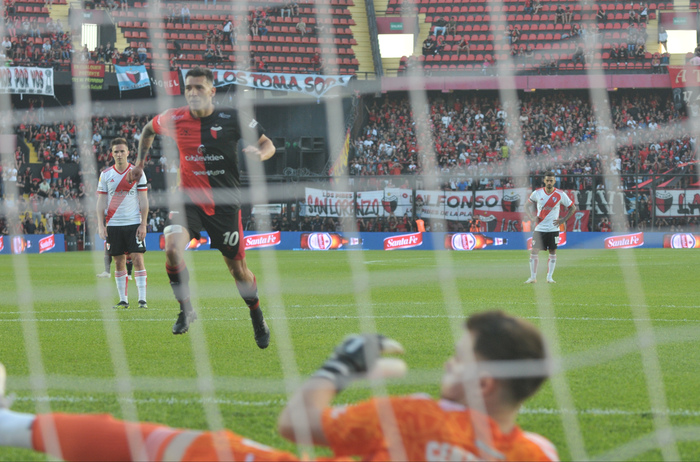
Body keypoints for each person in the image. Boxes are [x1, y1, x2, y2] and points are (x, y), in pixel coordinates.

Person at [0, 310, 557, 461]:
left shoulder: (416, 415)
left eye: (458, 361)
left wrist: (338, 369)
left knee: (178, 445)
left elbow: (296, 425)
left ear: (486, 382)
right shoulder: (537, 454)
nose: (446, 365)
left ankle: (8, 425)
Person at [127, 67, 274, 346]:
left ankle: (256, 315)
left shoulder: (232, 118)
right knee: (171, 249)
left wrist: (260, 153)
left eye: (199, 88)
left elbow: (268, 144)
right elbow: (148, 130)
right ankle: (186, 310)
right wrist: (139, 163)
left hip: (224, 207)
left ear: (212, 92)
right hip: (188, 201)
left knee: (238, 272)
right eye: (189, 88)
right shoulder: (175, 117)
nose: (193, 93)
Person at [96, 138, 149, 309]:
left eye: (122, 151)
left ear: (128, 153)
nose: (119, 154)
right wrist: (100, 225)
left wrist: (143, 224)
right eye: (116, 152)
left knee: (137, 259)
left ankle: (142, 300)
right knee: (118, 262)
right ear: (112, 154)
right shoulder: (105, 175)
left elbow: (144, 200)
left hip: (133, 223)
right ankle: (123, 300)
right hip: (113, 224)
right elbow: (100, 202)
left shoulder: (137, 172)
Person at [524, 171, 575, 284]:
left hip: (553, 228)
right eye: (547, 180)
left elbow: (573, 207)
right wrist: (532, 218)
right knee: (534, 251)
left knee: (552, 251)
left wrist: (563, 220)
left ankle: (549, 277)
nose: (549, 182)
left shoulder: (560, 194)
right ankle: (533, 277)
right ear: (544, 180)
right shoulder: (537, 193)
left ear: (554, 181)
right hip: (539, 228)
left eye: (551, 180)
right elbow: (526, 206)